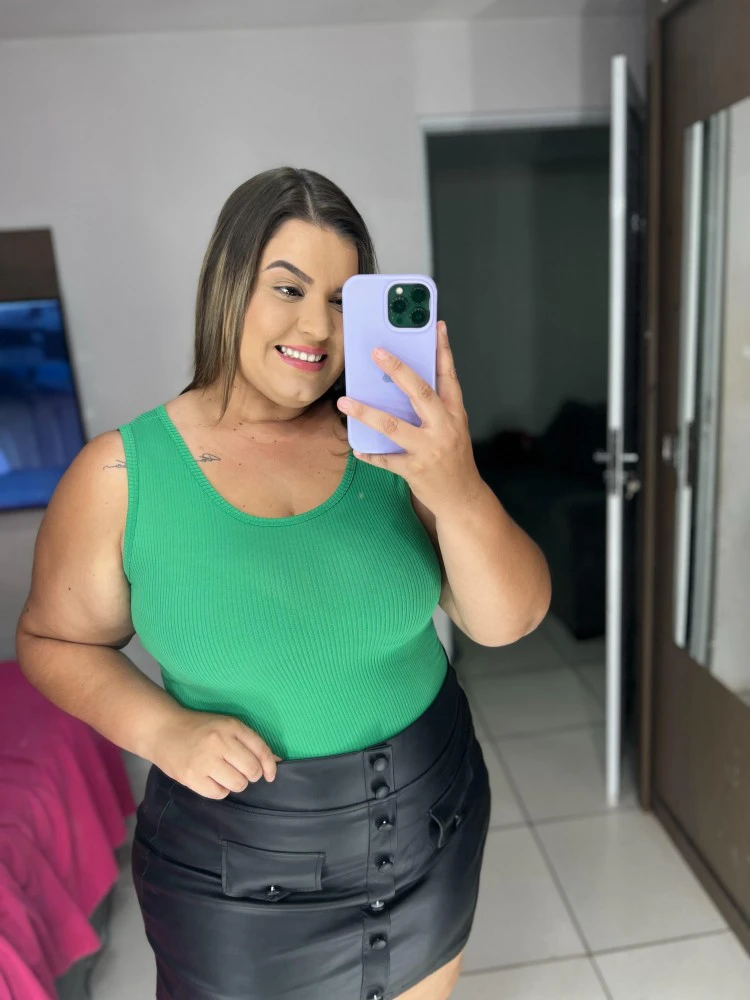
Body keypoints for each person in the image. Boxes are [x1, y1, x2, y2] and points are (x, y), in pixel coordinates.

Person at [16, 167, 551, 1000]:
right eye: (289, 288)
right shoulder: (122, 474)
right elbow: (52, 641)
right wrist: (163, 731)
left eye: (341, 299)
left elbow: (508, 621)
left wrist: (457, 485)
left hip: (432, 818)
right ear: (228, 285)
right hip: (236, 876)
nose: (317, 326)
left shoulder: (393, 445)